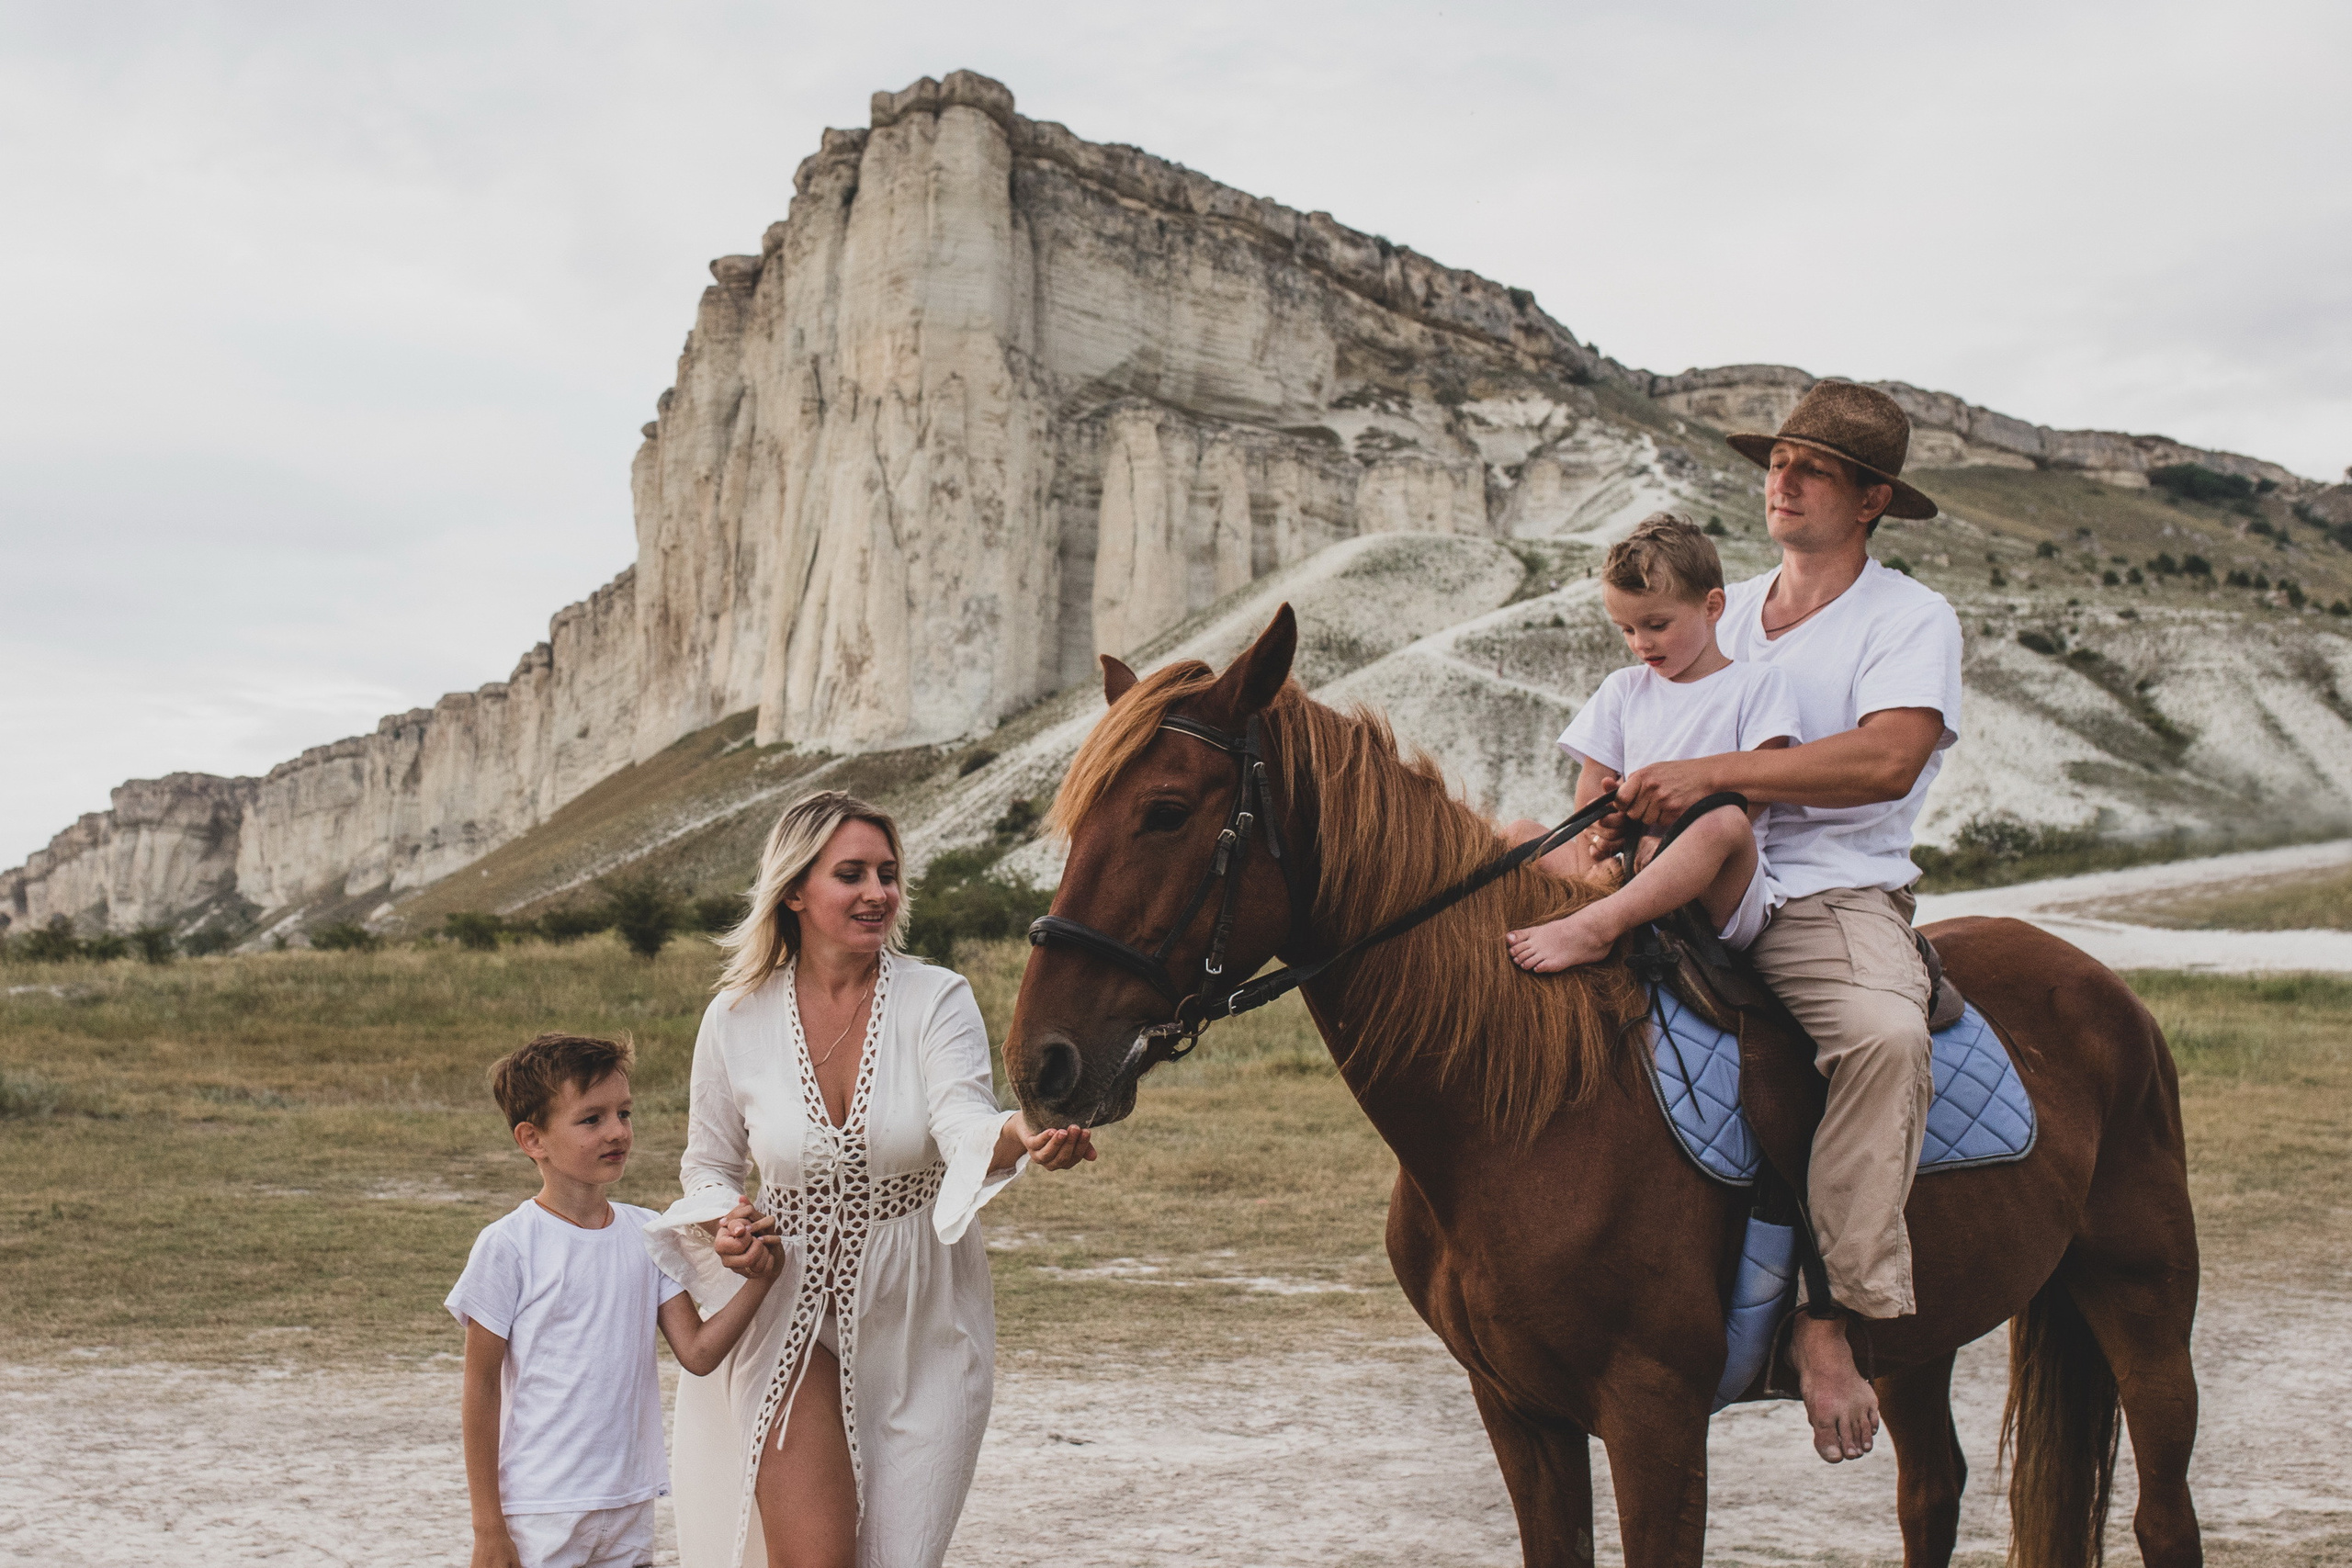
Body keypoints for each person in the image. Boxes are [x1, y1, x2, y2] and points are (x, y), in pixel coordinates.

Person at [1609, 380, 1964, 1466]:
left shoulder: (1907, 616)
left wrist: (1710, 778)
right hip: (1681, 870)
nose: (1783, 478)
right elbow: (1639, 708)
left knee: (1884, 1038)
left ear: (1872, 499)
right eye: (1776, 461)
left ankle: (1829, 1317)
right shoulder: (1718, 604)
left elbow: (1887, 756)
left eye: (1812, 468)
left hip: (1827, 890)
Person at [642, 791, 1095, 1568]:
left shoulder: (936, 997)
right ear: (794, 889)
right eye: (850, 873)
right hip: (786, 1306)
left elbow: (963, 1126)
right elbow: (710, 1165)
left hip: (921, 1310)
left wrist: (1021, 1133)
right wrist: (730, 1226)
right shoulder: (735, 1016)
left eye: (887, 873)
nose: (877, 892)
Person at [448, 1032, 784, 1568]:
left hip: (629, 1502)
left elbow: (697, 1353)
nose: (617, 1132)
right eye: (591, 1119)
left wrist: (761, 1281)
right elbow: (481, 1385)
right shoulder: (507, 1245)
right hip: (542, 1510)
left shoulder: (648, 1232)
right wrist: (489, 1527)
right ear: (532, 1139)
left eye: (624, 1113)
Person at [1504, 513, 1799, 972]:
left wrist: (1666, 840)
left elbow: (1755, 797)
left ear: (1712, 606)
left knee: (1721, 822)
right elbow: (1591, 790)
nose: (1641, 643)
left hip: (1715, 888)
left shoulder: (1758, 685)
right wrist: (1604, 833)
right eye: (1626, 630)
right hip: (1624, 863)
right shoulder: (1622, 689)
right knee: (1518, 835)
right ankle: (1591, 902)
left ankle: (1597, 926)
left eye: (1657, 625)